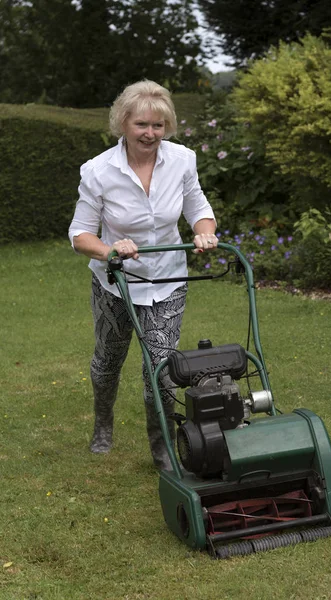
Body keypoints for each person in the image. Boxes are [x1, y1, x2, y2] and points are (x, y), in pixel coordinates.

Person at [68, 80, 217, 469]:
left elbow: (198, 207)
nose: (150, 133)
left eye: (158, 125)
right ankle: (103, 423)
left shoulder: (182, 160)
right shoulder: (99, 171)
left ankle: (163, 447)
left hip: (167, 281)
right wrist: (110, 249)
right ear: (123, 124)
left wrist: (204, 231)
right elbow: (79, 234)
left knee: (162, 372)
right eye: (141, 125)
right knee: (107, 362)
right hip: (115, 284)